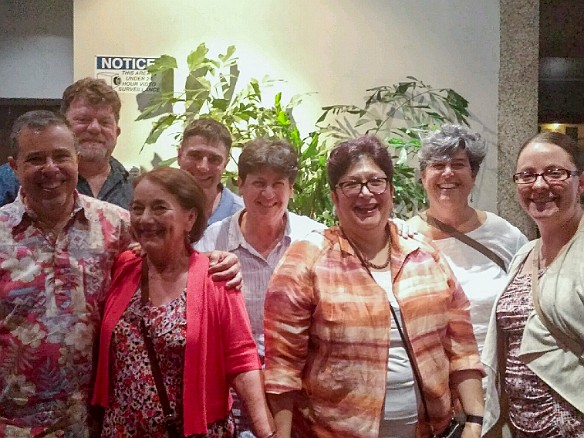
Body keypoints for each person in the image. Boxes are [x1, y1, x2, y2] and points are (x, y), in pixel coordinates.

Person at [0, 110, 242, 436]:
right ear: (14, 166)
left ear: (76, 158)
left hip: (96, 423)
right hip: (15, 426)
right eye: (36, 159)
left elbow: (171, 251)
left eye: (61, 156)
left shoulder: (116, 224)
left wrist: (213, 260)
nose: (51, 169)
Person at [264, 135, 485, 438]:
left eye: (375, 182)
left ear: (391, 190)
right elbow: (282, 369)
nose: (366, 193)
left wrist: (474, 420)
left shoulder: (424, 253)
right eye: (352, 184)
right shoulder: (307, 258)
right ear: (334, 196)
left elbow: (461, 345)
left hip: (429, 431)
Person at [93, 167, 277, 437]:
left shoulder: (216, 276)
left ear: (189, 217)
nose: (145, 219)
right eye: (137, 208)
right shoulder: (125, 266)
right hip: (122, 429)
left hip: (192, 430)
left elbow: (241, 359)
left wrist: (266, 432)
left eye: (159, 208)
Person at [196, 138, 325, 436]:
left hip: (300, 391)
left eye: (278, 183)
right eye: (258, 183)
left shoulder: (315, 240)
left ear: (291, 188)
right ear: (240, 185)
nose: (268, 194)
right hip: (231, 390)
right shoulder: (208, 242)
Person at [482, 132, 584, 437]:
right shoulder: (525, 253)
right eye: (526, 175)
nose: (539, 185)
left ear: (581, 182)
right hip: (520, 427)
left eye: (555, 173)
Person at [406, 124, 528, 354]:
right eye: (438, 165)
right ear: (423, 177)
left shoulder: (504, 234)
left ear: (473, 175)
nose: (448, 172)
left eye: (458, 164)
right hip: (429, 378)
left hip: (493, 377)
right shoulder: (403, 238)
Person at [0, 77, 133, 209]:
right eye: (83, 119)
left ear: (117, 132)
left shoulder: (134, 187)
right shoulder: (10, 179)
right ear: (63, 127)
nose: (94, 128)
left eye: (104, 122)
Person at [178, 118, 244, 225]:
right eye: (195, 155)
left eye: (214, 159)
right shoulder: (153, 207)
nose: (203, 167)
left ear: (225, 165)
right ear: (179, 155)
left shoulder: (242, 217)